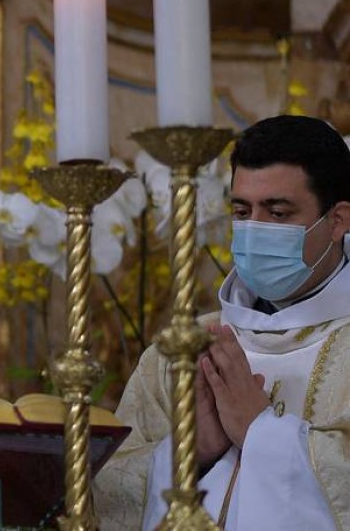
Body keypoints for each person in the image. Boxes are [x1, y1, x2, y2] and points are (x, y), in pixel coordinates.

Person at [96, 114, 350, 529]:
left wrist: (261, 433)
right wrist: (187, 453)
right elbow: (109, 492)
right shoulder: (178, 350)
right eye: (241, 210)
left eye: (278, 213)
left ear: (338, 220)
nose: (254, 229)